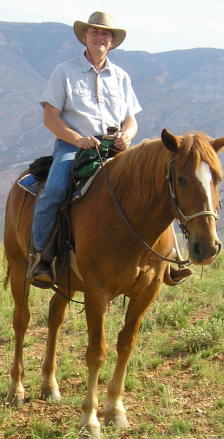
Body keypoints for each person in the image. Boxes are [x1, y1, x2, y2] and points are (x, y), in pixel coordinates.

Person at [27, 11, 142, 287]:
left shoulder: (121, 76)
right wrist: (77, 139)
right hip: (73, 145)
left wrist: (127, 135)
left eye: (105, 33)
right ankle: (42, 257)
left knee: (153, 184)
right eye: (95, 32)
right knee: (54, 191)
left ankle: (168, 259)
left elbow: (131, 118)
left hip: (114, 146)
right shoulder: (64, 71)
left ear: (112, 42)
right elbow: (50, 117)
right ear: (85, 37)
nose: (100, 37)